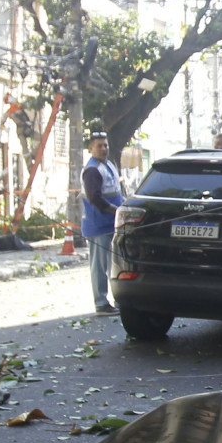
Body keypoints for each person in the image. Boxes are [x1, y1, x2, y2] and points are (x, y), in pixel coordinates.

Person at [82, 131, 123, 316]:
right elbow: (95, 198)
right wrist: (115, 210)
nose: (104, 148)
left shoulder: (108, 165)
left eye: (105, 145)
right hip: (98, 225)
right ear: (91, 148)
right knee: (99, 267)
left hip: (112, 224)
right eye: (99, 145)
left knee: (113, 264)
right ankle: (101, 303)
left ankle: (117, 300)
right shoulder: (92, 170)